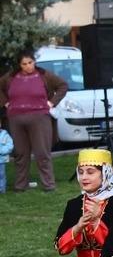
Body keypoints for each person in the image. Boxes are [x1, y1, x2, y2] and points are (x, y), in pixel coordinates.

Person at [0, 49, 68, 192]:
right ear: (20, 65)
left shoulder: (44, 75)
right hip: (16, 119)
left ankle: (49, 185)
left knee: (42, 153)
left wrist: (51, 103)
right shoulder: (11, 77)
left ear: (34, 62)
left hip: (40, 118)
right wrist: (6, 103)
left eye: (30, 62)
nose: (28, 66)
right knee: (20, 154)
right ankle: (20, 186)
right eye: (24, 64)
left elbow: (63, 85)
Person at [0, 127, 11, 193]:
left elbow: (9, 146)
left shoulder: (5, 135)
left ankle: (2, 189)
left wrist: (1, 151)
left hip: (1, 160)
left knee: (1, 174)